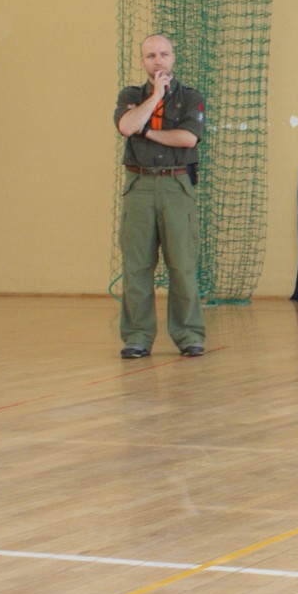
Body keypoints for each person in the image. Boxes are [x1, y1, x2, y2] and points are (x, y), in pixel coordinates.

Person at [115, 33, 205, 358]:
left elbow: (188, 138)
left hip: (176, 186)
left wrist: (148, 131)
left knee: (182, 264)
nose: (158, 61)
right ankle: (137, 337)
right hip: (139, 186)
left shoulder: (190, 96)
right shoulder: (131, 95)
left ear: (173, 57)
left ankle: (189, 334)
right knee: (137, 266)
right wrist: (154, 97)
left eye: (164, 54)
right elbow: (127, 126)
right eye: (151, 56)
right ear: (143, 61)